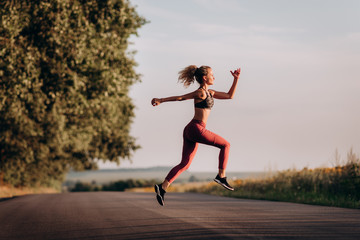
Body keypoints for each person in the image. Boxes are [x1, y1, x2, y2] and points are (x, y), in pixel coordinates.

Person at [151, 65, 241, 206]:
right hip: (196, 128)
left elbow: (230, 96)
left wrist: (236, 80)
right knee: (226, 145)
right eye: (212, 75)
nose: (214, 77)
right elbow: (180, 98)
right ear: (205, 78)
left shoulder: (210, 92)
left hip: (191, 130)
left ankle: (162, 187)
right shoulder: (200, 93)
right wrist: (161, 100)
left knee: (185, 164)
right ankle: (221, 176)